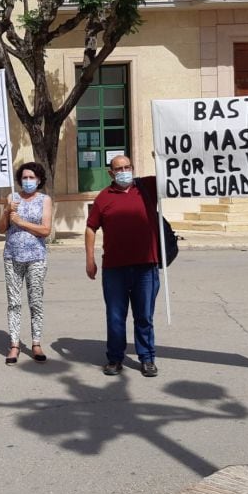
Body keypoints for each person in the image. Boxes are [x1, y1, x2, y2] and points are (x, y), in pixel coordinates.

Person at [85, 155, 162, 378]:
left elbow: (171, 175)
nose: (124, 171)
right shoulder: (103, 198)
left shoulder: (147, 187)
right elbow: (91, 228)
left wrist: (160, 155)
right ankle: (115, 359)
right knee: (116, 316)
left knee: (145, 315)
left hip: (146, 266)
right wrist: (90, 260)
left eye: (128, 167)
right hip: (114, 269)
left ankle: (147, 358)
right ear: (111, 173)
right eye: (119, 169)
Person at [0, 162, 52, 364]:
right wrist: (6, 212)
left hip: (36, 256)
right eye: (25, 178)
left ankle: (36, 343)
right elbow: (1, 227)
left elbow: (46, 230)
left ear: (39, 180)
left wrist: (21, 223)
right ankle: (14, 345)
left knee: (35, 301)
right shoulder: (12, 198)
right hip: (12, 255)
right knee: (14, 302)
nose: (28, 181)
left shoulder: (45, 200)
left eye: (32, 178)